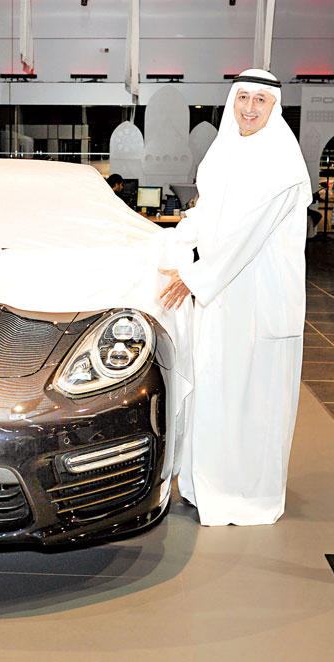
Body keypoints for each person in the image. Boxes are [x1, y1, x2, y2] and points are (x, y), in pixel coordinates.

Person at [159, 69, 311, 526]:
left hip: (259, 302)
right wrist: (167, 244)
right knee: (215, 389)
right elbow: (206, 214)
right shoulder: (225, 152)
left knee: (253, 401)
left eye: (259, 100)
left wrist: (193, 277)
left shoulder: (282, 163)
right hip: (222, 300)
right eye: (242, 97)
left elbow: (244, 236)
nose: (249, 108)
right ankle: (206, 484)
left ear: (274, 107)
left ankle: (245, 494)